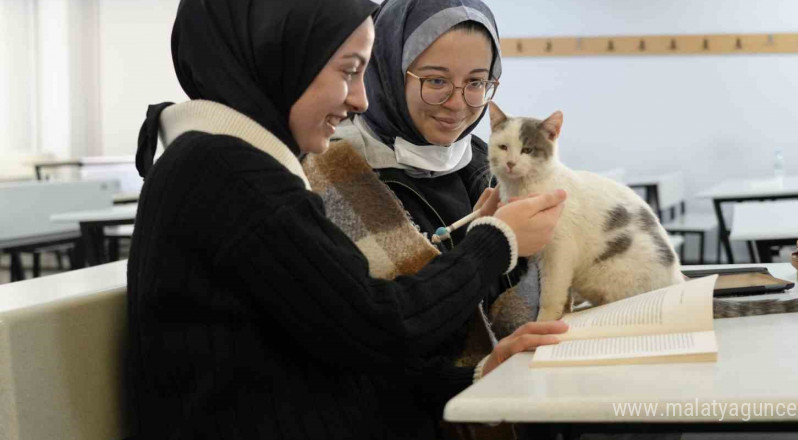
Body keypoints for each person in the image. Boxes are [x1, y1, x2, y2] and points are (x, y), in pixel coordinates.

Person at [128, 0, 567, 439]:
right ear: (279, 57)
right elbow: (384, 327)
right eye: (348, 70)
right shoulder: (233, 175)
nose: (360, 98)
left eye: (477, 83)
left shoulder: (224, 161)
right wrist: (496, 240)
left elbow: (343, 346)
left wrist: (479, 375)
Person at [328, 0, 536, 419]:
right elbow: (390, 335)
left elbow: (520, 285)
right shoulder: (338, 173)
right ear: (384, 69)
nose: (458, 104)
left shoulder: (481, 160)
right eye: (435, 80)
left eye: (476, 83)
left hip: (521, 393)